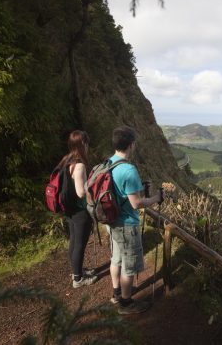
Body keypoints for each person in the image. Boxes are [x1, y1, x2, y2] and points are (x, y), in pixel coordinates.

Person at [108, 126, 163, 314]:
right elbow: (136, 203)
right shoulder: (128, 170)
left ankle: (116, 293)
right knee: (129, 264)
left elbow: (120, 192)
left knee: (116, 258)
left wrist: (139, 189)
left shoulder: (109, 163)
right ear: (131, 145)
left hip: (111, 221)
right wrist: (156, 198)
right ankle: (126, 303)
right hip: (126, 225)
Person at [57, 130, 98, 288]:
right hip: (80, 211)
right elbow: (81, 191)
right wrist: (92, 189)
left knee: (74, 241)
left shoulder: (66, 160)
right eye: (86, 143)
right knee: (79, 244)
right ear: (83, 144)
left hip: (69, 209)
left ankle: (77, 271)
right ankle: (78, 280)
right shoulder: (79, 165)